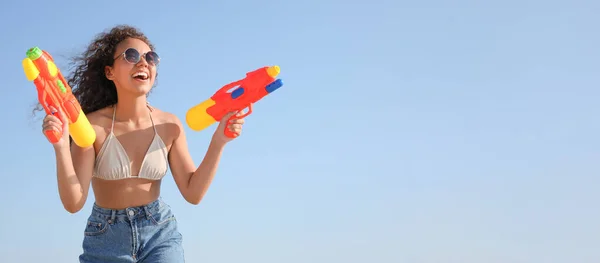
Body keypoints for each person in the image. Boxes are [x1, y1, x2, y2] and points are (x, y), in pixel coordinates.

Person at [39, 25, 244, 262]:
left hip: (160, 232)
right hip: (106, 236)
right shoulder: (91, 127)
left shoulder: (170, 125)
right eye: (131, 56)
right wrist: (61, 146)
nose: (143, 62)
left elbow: (193, 193)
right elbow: (74, 202)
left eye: (150, 57)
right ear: (109, 72)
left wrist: (219, 141)